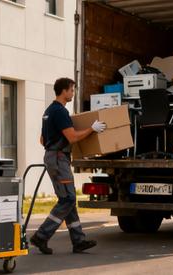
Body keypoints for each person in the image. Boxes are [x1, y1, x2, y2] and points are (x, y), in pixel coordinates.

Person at [30, 77, 106, 254]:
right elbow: (72, 137)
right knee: (68, 199)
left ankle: (78, 240)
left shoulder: (48, 111)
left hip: (54, 156)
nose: (73, 93)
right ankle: (41, 236)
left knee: (69, 198)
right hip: (58, 158)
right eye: (72, 90)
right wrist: (92, 129)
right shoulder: (60, 112)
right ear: (64, 91)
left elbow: (42, 139)